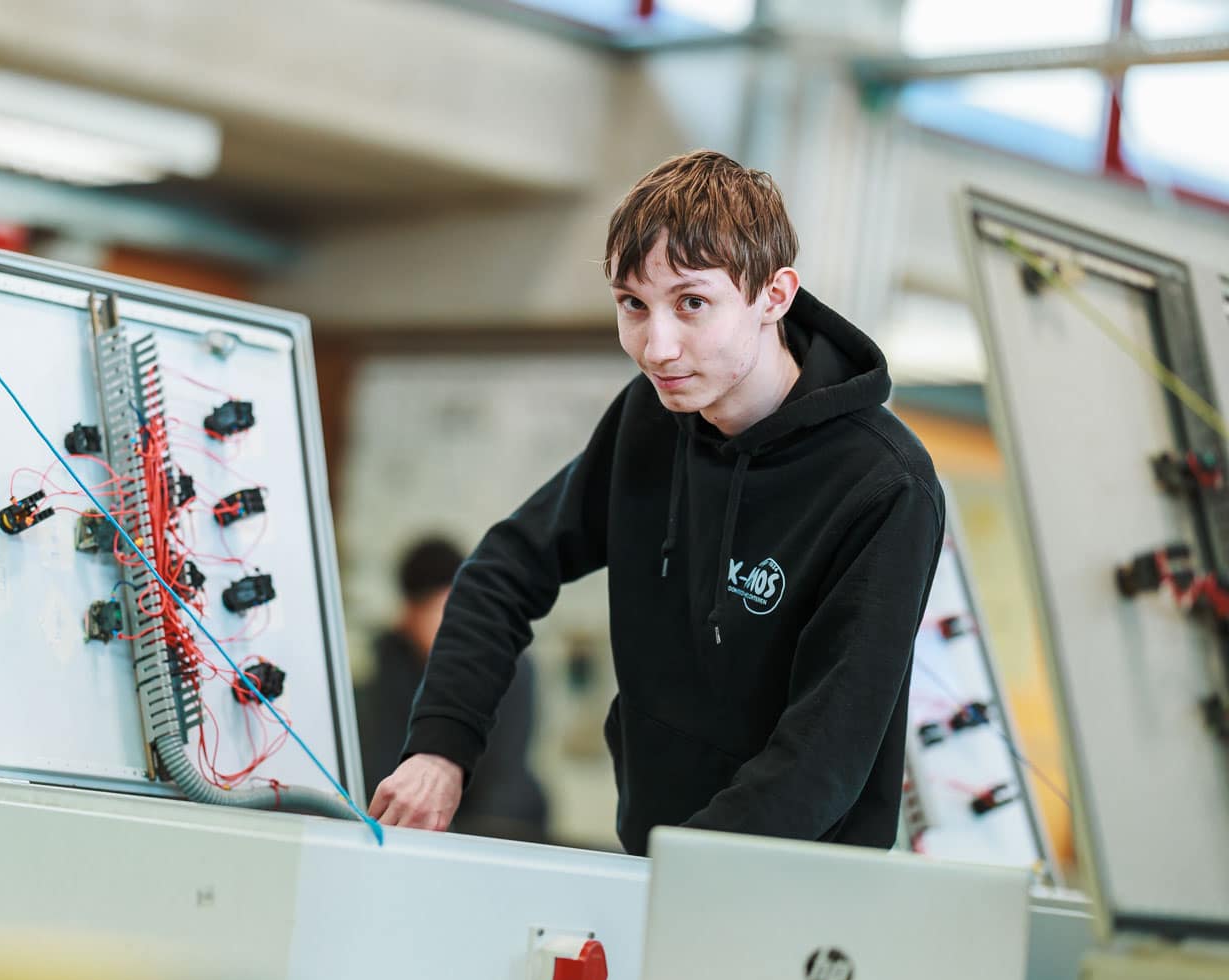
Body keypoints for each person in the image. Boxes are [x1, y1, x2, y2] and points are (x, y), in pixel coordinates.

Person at [367, 150, 945, 856]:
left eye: (692, 303)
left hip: (795, 897)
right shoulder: (651, 418)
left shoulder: (885, 486)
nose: (657, 347)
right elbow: (503, 569)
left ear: (775, 294)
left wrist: (677, 872)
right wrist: (440, 749)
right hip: (654, 856)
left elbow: (826, 752)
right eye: (633, 305)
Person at [356, 537, 548, 842]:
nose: (453, 626)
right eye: (438, 611)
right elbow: (379, 760)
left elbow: (505, 767)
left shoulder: (511, 668)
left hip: (486, 819)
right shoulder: (388, 662)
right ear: (408, 612)